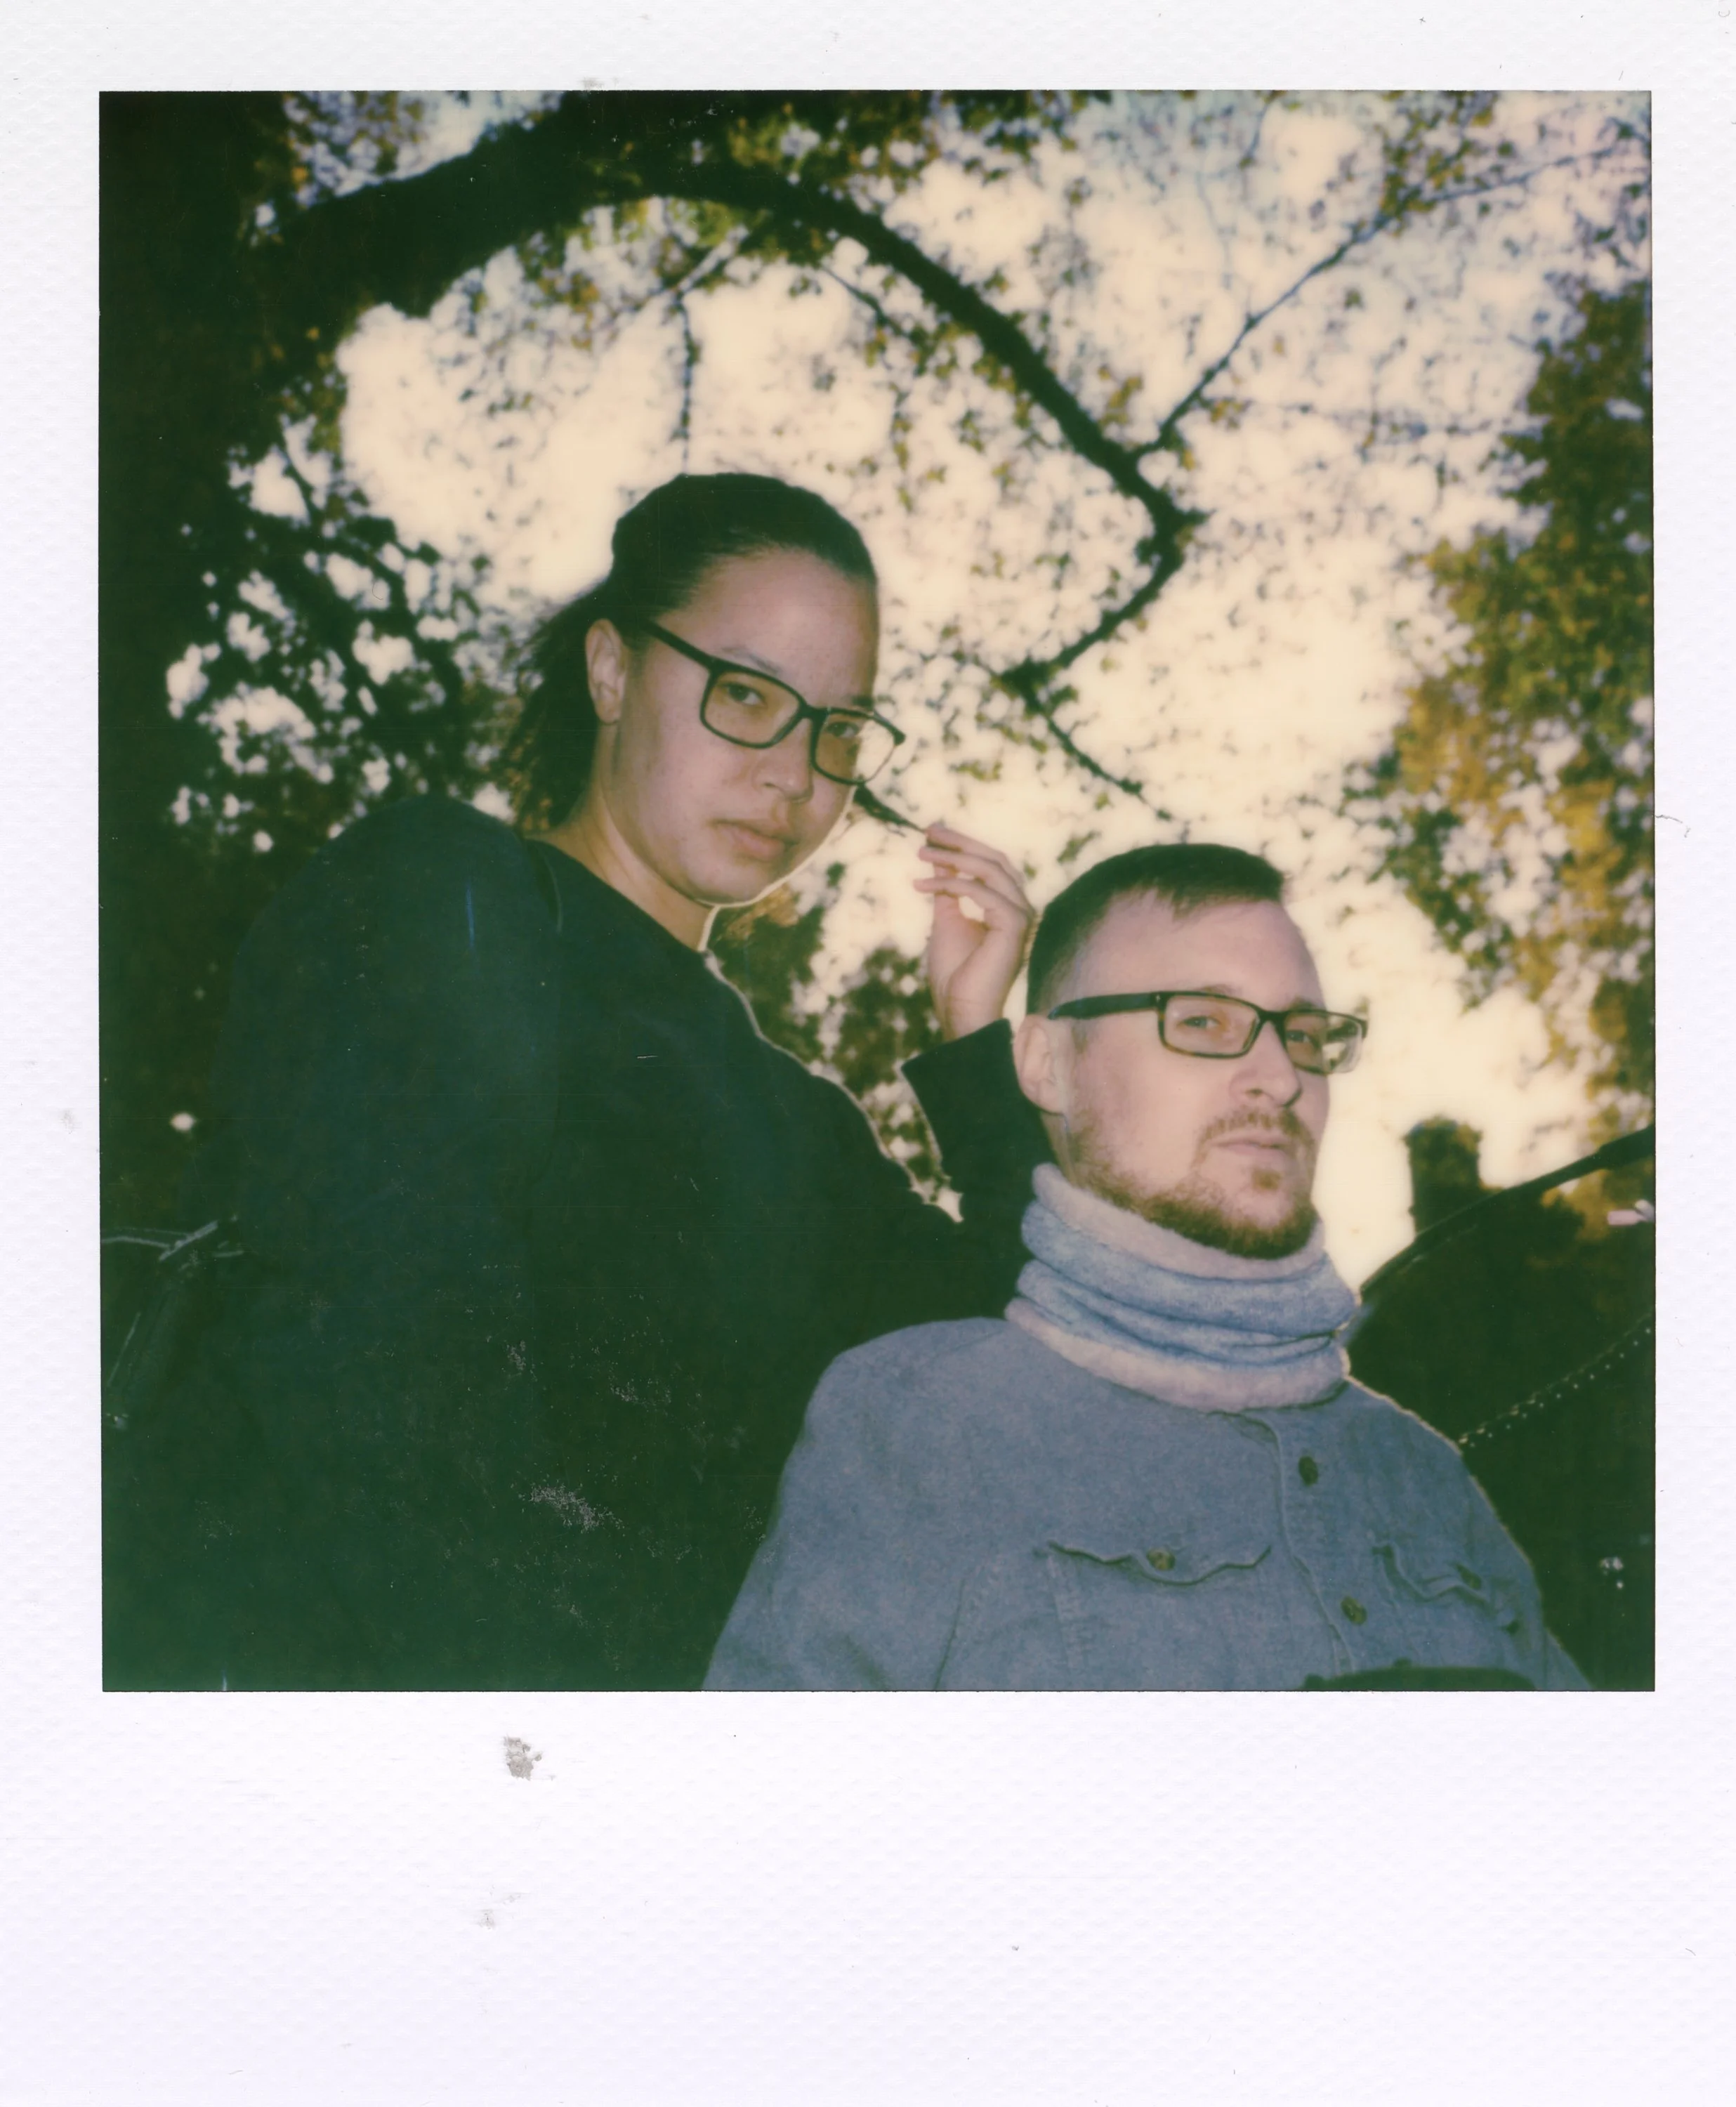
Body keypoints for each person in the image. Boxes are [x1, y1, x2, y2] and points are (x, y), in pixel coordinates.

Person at [105, 472, 1048, 1692]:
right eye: (745, 694)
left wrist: (978, 1049)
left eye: (839, 728)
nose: (794, 773)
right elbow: (380, 1382)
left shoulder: (801, 1130)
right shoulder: (448, 898)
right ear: (611, 672)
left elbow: (1031, 1361)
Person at [706, 843, 1588, 1691]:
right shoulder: (919, 1428)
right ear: (1045, 1065)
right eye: (1204, 1021)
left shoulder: (1427, 1476)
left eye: (1306, 1034)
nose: (1278, 1076)